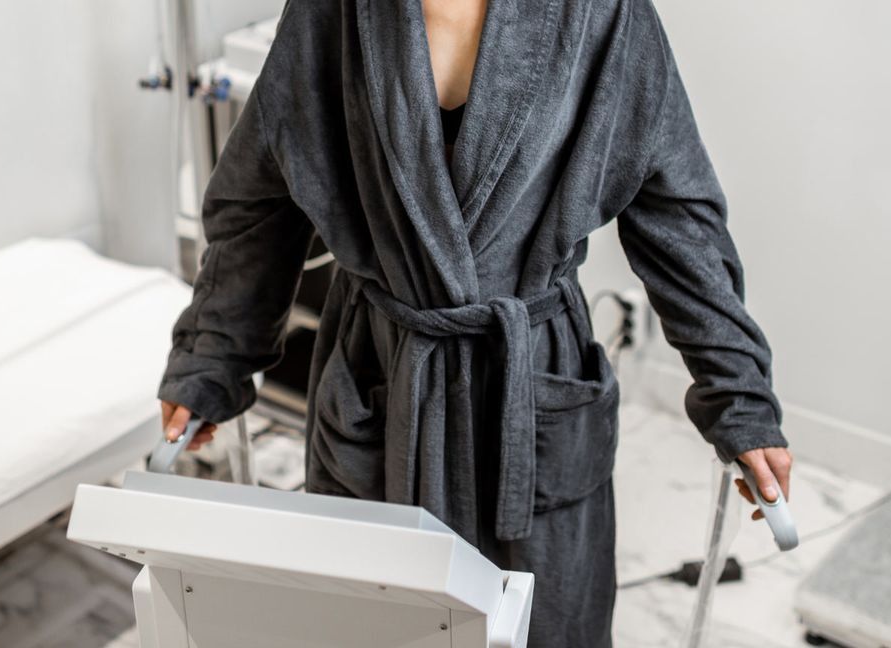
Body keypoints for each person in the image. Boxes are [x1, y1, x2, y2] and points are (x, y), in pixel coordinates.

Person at [156, 0, 792, 644]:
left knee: (548, 625)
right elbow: (260, 197)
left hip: (531, 385)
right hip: (384, 378)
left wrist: (738, 395)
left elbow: (677, 215)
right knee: (372, 624)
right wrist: (212, 358)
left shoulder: (602, 12)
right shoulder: (335, 12)